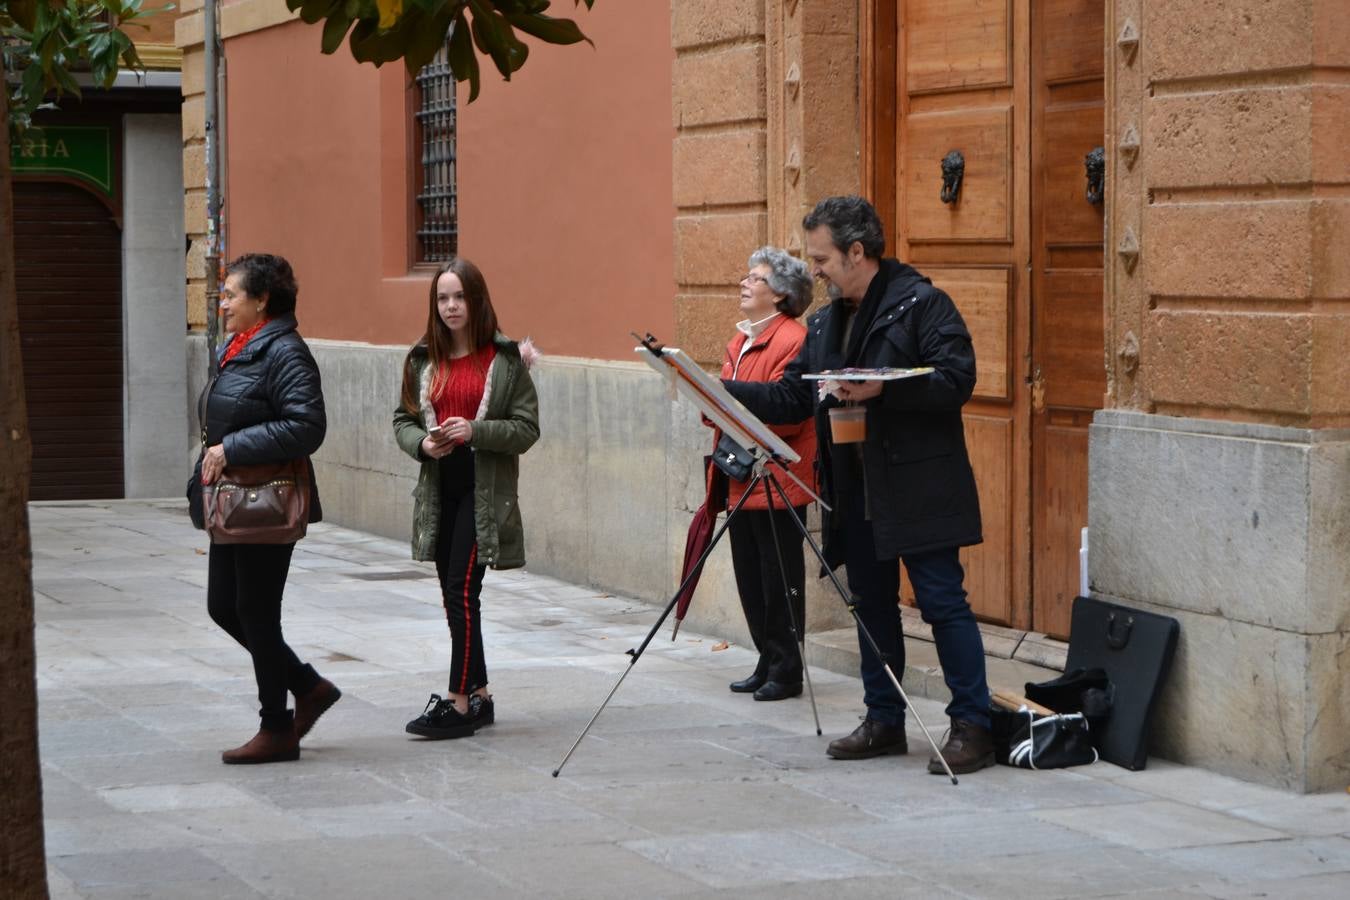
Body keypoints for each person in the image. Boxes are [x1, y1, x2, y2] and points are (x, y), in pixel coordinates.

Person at [722, 196, 994, 774]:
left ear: (856, 251)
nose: (815, 270)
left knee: (942, 604)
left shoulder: (923, 304)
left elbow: (957, 379)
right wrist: (721, 391)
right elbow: (794, 397)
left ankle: (973, 726)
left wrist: (884, 390)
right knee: (870, 606)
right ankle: (883, 721)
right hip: (855, 487)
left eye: (822, 259)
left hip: (919, 484)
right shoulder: (825, 322)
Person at [194, 253, 340, 765]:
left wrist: (231, 449)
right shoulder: (239, 346)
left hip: (266, 502)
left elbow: (307, 426)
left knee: (255, 611)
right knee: (224, 606)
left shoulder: (285, 352)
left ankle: (276, 726)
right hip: (234, 501)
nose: (223, 302)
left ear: (261, 301)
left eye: (231, 294)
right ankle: (307, 685)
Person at [393, 257, 540, 739]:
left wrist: (475, 430)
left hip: (484, 492)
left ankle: (457, 703)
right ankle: (480, 696)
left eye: (460, 297)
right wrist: (423, 443)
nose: (451, 306)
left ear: (477, 301)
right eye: (442, 298)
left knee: (460, 590)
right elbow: (402, 420)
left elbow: (526, 429)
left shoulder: (506, 360)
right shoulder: (422, 358)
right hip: (440, 490)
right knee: (455, 595)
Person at [714, 247, 817, 702]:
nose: (744, 282)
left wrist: (726, 397)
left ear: (779, 294)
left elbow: (788, 411)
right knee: (750, 577)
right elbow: (723, 406)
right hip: (740, 472)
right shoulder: (739, 341)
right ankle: (767, 657)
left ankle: (787, 668)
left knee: (779, 579)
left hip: (778, 479)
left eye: (754, 278)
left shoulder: (794, 339)